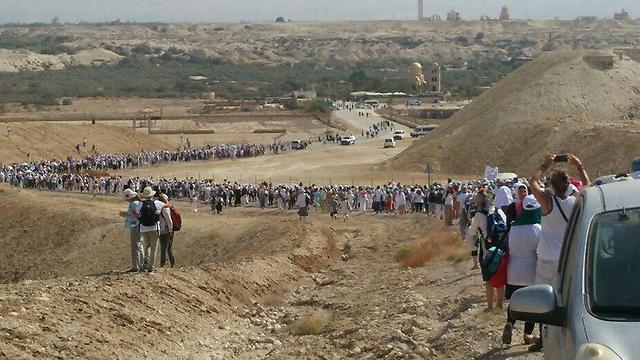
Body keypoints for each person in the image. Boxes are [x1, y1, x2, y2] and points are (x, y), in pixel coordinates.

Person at [528, 153, 590, 352]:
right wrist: (579, 166)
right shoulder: (574, 201)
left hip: (547, 257)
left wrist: (545, 164)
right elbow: (588, 186)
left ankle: (542, 338)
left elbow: (533, 182)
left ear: (552, 185)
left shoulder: (547, 202)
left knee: (543, 298)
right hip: (567, 256)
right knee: (565, 297)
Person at [502, 195, 542, 345]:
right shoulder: (538, 229)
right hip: (531, 271)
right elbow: (540, 251)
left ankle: (510, 323)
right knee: (532, 304)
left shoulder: (514, 227)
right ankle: (527, 334)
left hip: (513, 270)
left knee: (514, 299)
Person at [465, 192, 507, 312]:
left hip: (487, 251)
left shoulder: (478, 215)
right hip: (500, 249)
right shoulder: (499, 212)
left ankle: (489, 307)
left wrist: (471, 224)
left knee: (488, 280)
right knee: (500, 278)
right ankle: (499, 305)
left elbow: (472, 233)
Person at [138, 187, 165, 273]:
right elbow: (167, 205)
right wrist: (159, 210)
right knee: (154, 249)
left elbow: (136, 213)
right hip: (154, 228)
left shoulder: (140, 204)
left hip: (143, 228)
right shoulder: (156, 203)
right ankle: (151, 267)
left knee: (147, 246)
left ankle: (145, 264)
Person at [119, 189, 143, 272]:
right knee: (139, 245)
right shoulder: (137, 203)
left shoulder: (133, 204)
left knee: (135, 246)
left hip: (135, 225)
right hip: (139, 226)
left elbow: (135, 216)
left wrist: (124, 215)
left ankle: (136, 266)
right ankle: (141, 264)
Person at [158, 194, 175, 268]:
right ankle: (172, 264)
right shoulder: (165, 208)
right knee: (168, 248)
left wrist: (170, 230)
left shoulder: (163, 208)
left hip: (165, 230)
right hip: (167, 230)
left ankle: (162, 265)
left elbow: (169, 220)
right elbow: (169, 220)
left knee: (164, 249)